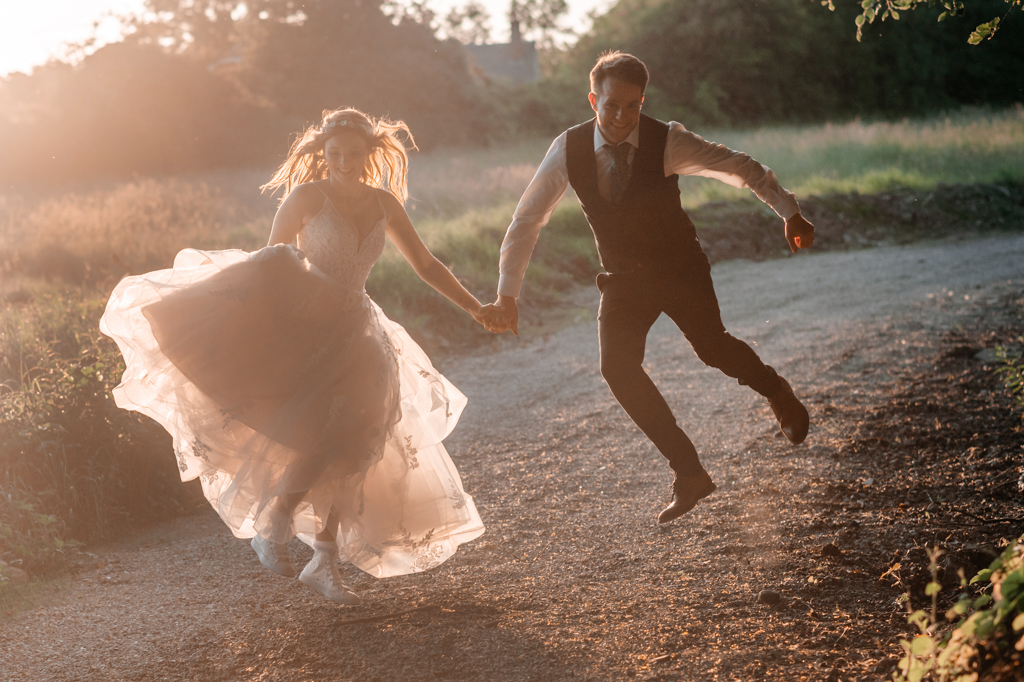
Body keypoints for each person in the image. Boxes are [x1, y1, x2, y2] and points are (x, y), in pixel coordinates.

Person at [101, 108, 489, 604]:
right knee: (323, 436)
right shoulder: (307, 196)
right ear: (323, 155)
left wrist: (477, 308)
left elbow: (427, 264)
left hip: (361, 332)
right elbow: (271, 262)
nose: (344, 163)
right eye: (335, 155)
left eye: (354, 154)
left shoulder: (385, 203)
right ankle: (276, 521)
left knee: (359, 443)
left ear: (370, 156)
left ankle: (324, 561)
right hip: (309, 328)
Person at [482, 52, 814, 524]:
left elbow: (740, 167)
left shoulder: (666, 140)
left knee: (712, 347)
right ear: (593, 98)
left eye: (632, 107)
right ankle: (689, 473)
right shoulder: (568, 149)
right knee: (616, 367)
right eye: (611, 105)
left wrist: (789, 210)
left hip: (680, 267)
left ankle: (776, 391)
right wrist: (508, 295)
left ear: (643, 102)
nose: (620, 118)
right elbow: (527, 219)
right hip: (623, 278)